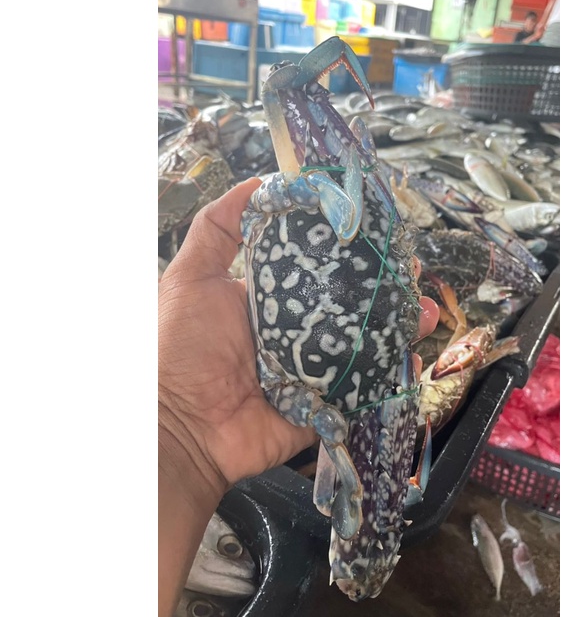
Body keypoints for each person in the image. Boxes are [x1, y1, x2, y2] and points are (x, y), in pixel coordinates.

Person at [158, 178, 440, 617]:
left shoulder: (272, 211)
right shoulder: (277, 212)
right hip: (317, 394)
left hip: (320, 396)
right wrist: (179, 426)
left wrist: (179, 427)